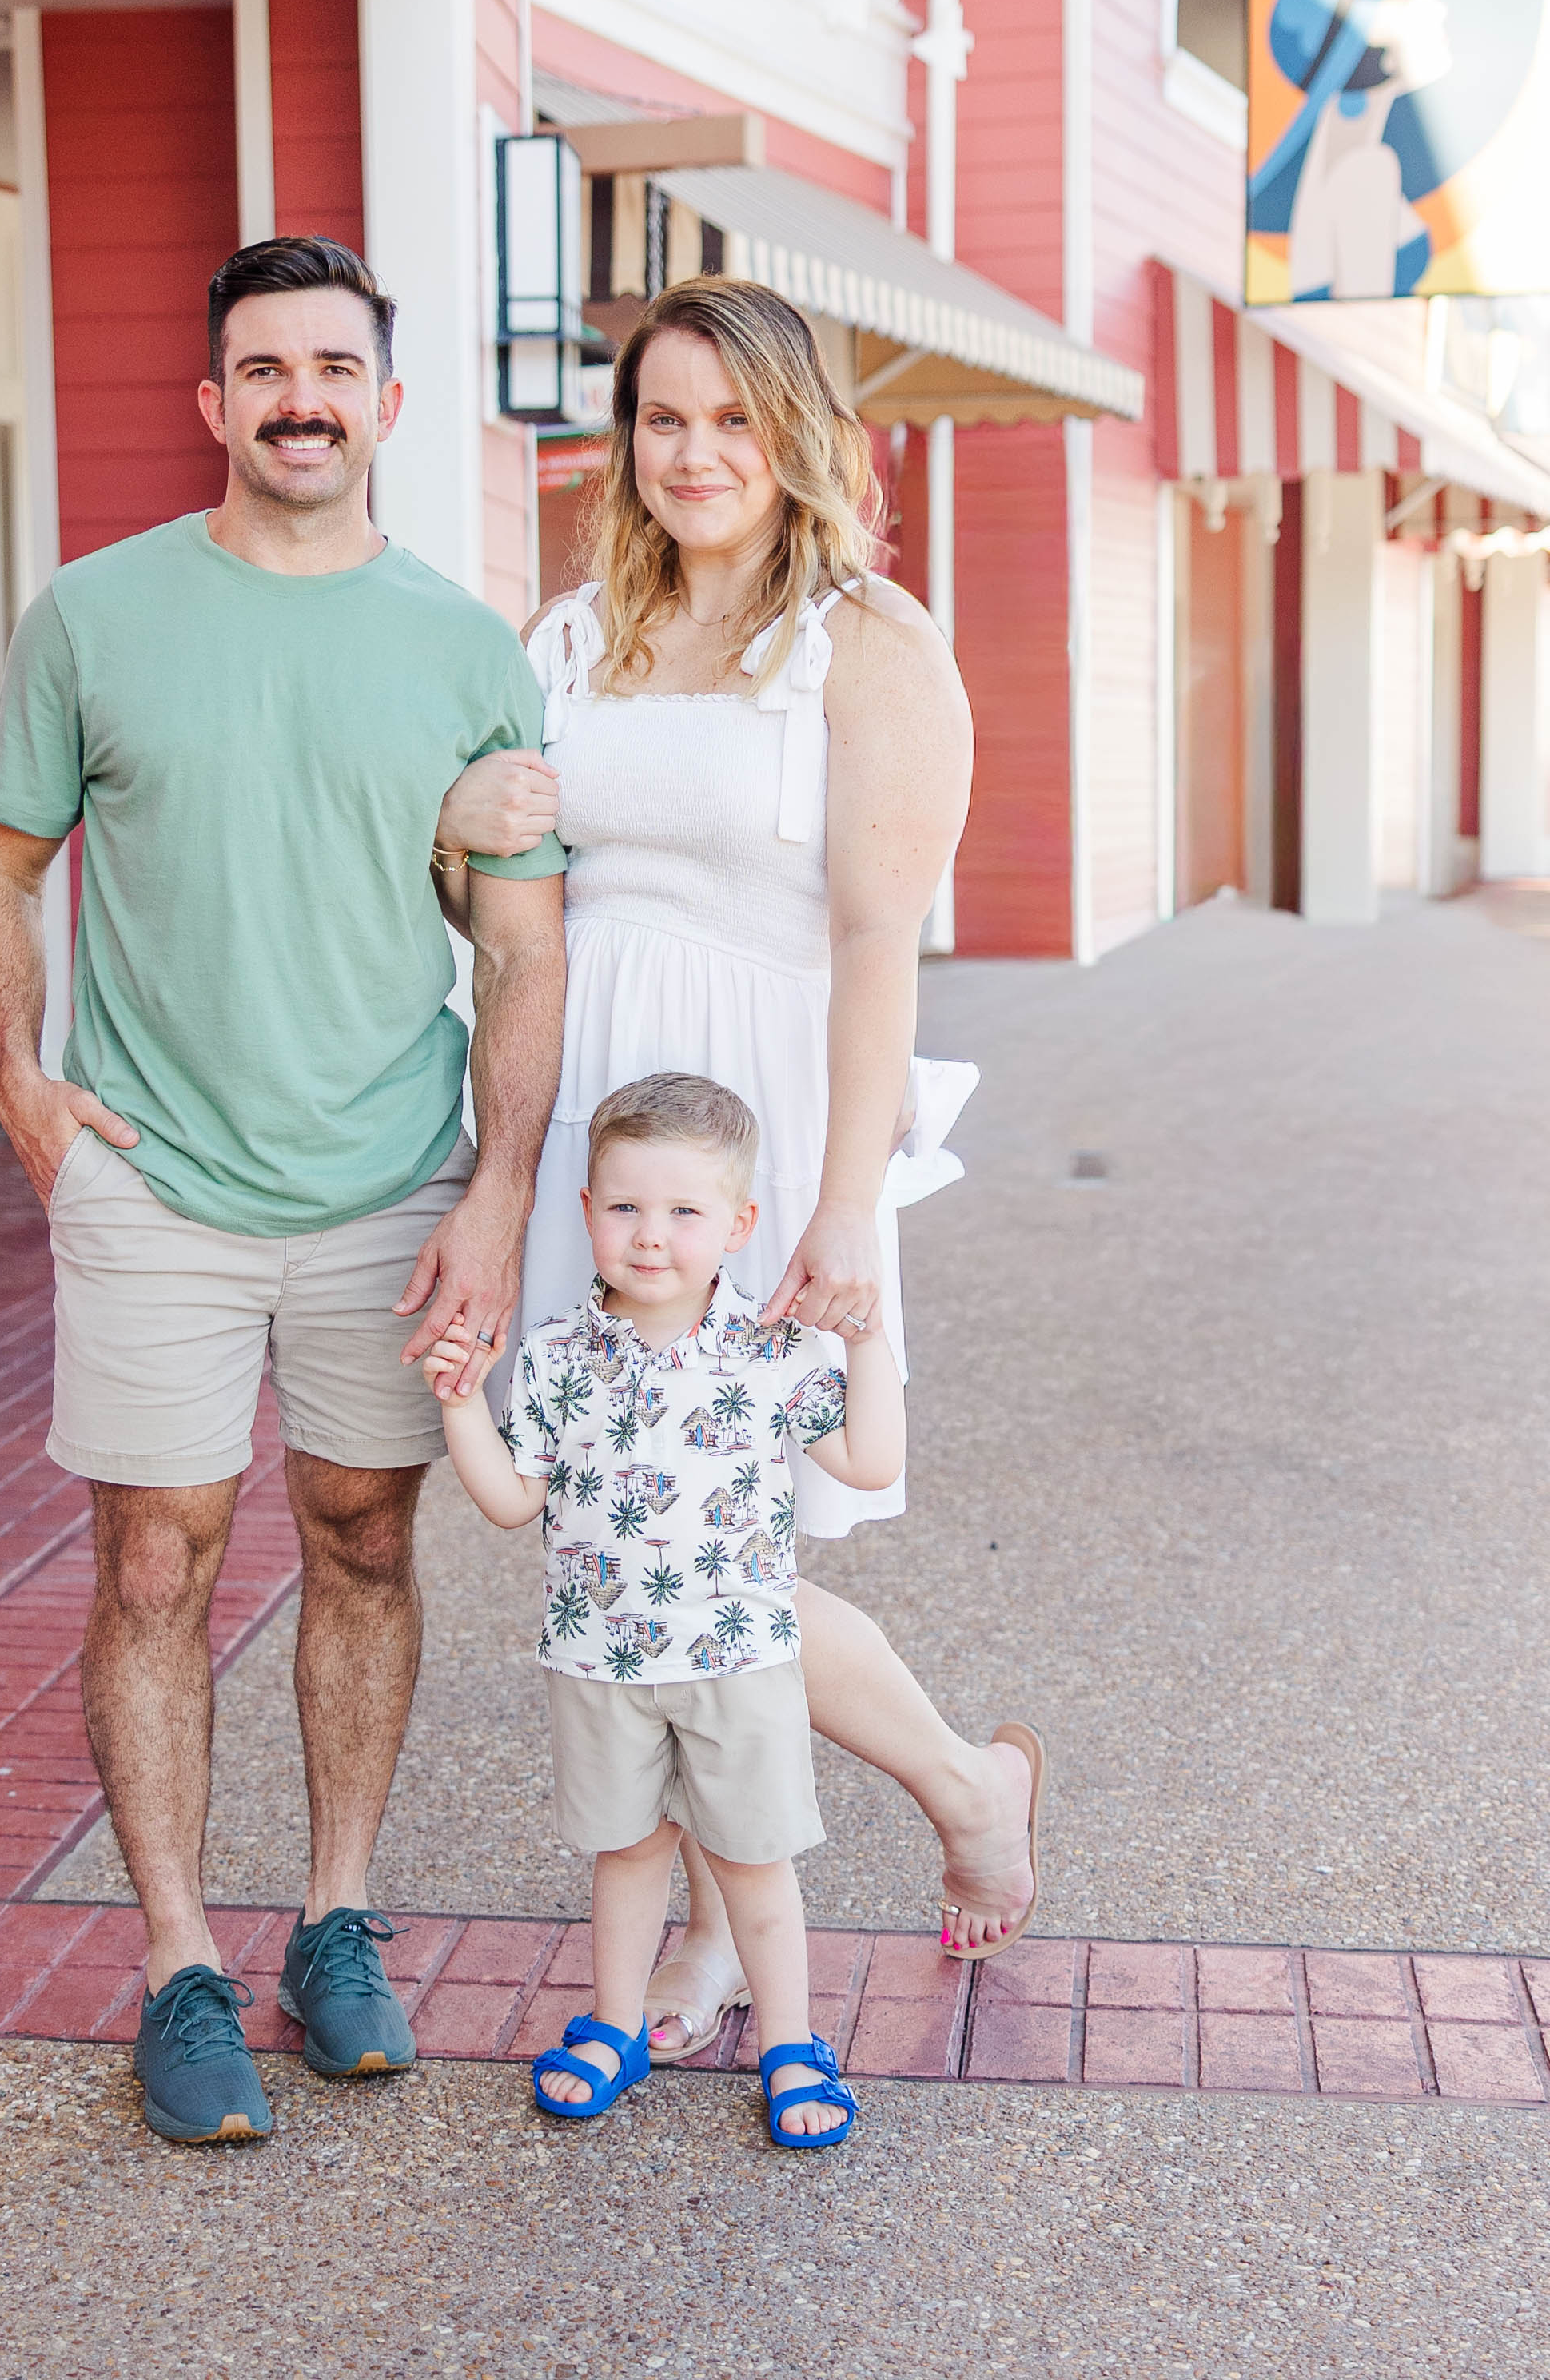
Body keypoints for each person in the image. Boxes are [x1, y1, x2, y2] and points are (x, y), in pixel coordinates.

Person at [0, 233, 566, 2145]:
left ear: (385, 404)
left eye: (333, 366)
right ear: (214, 401)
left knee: (367, 1540)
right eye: (261, 366)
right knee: (155, 1560)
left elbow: (524, 958)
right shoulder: (93, 617)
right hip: (155, 1183)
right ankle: (173, 1960)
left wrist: (495, 1192)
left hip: (390, 1176)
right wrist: (21, 1087)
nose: (299, 396)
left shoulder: (467, 648)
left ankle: (334, 1921)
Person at [431, 275, 1044, 2048]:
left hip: (764, 1123)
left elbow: (877, 947)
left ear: (800, 438)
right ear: (624, 441)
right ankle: (708, 1935)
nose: (694, 452)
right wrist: (452, 837)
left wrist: (844, 1197)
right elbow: (497, 904)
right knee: (641, 1543)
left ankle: (960, 1789)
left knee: (743, 1554)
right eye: (661, 417)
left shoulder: (870, 642)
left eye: (731, 416)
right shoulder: (561, 639)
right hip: (593, 1131)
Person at [427, 1072, 901, 2146]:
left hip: (736, 1660)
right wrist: (460, 1405)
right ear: (585, 1213)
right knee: (626, 1853)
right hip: (600, 1664)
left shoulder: (771, 1351)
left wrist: (865, 1344)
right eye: (626, 1208)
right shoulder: (555, 1355)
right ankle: (612, 2024)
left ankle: (790, 2044)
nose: (652, 1237)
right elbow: (510, 1502)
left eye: (684, 1213)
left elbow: (870, 1462)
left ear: (736, 1225)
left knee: (752, 1862)